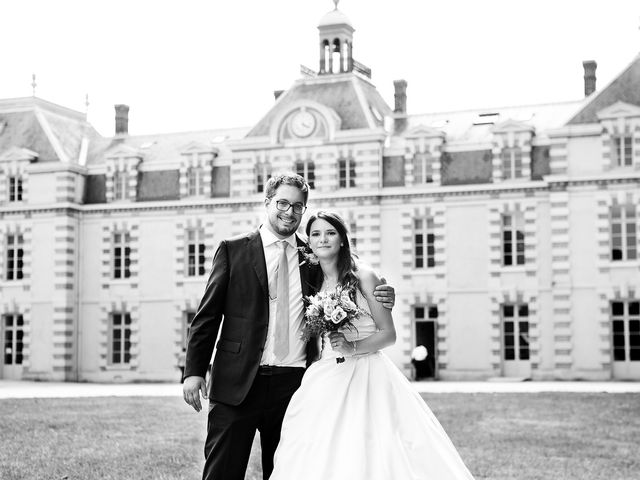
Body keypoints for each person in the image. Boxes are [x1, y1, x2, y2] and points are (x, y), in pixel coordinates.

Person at [182, 173, 395, 480]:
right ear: (267, 203)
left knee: (288, 472)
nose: (289, 211)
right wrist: (193, 371)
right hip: (236, 380)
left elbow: (354, 277)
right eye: (282, 203)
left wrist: (385, 292)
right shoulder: (233, 250)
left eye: (298, 206)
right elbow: (207, 316)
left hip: (294, 385)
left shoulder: (314, 255)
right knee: (222, 472)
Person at [270, 211, 476, 480]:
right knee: (317, 445)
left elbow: (388, 334)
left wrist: (351, 347)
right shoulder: (311, 278)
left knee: (373, 446)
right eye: (316, 234)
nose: (323, 239)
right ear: (308, 241)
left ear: (343, 239)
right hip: (326, 375)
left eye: (330, 233)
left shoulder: (364, 276)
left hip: (368, 372)